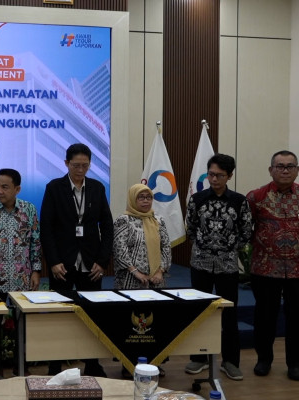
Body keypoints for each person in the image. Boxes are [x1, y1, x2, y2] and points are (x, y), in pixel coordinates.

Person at [40, 143, 114, 377]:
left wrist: (102, 261)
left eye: (85, 165)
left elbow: (107, 226)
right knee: (59, 314)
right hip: (62, 264)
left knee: (92, 314)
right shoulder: (54, 188)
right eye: (76, 165)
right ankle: (55, 365)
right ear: (66, 164)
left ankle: (92, 363)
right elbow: (46, 228)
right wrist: (53, 261)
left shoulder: (97, 188)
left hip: (91, 263)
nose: (81, 170)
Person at [184, 154, 252, 381]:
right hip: (200, 263)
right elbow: (190, 228)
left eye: (220, 175)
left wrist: (227, 248)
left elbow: (246, 231)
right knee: (199, 310)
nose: (214, 179)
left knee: (229, 314)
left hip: (227, 265)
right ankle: (199, 358)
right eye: (211, 174)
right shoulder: (197, 199)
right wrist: (205, 247)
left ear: (229, 176)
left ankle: (230, 361)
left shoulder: (239, 201)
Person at [247, 150, 299, 381]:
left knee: (296, 318)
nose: (285, 170)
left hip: (298, 271)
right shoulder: (256, 197)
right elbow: (245, 229)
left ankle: (295, 364)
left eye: (290, 166)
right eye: (280, 166)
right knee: (265, 317)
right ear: (271, 170)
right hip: (265, 269)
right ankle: (264, 359)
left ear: (297, 170)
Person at [113, 183, 171, 378]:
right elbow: (119, 249)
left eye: (149, 197)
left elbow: (166, 248)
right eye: (141, 197)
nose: (146, 201)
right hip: (130, 282)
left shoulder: (158, 220)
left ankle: (155, 362)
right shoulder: (124, 220)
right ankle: (129, 364)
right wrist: (136, 272)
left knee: (155, 324)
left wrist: (160, 271)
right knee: (131, 324)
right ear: (133, 199)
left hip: (156, 281)